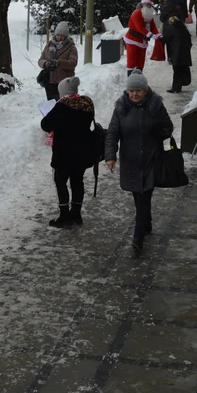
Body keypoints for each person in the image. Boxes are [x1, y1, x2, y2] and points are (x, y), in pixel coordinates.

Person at [104, 70, 174, 250]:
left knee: (144, 196)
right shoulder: (121, 108)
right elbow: (112, 133)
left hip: (151, 158)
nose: (135, 94)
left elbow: (168, 127)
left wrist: (158, 134)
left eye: (138, 90)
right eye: (131, 91)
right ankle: (146, 222)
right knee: (138, 195)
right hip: (131, 161)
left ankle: (137, 239)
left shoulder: (155, 105)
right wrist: (110, 156)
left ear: (145, 90)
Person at [39, 75, 94, 228]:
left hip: (64, 152)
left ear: (62, 92)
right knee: (77, 181)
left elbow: (45, 125)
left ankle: (64, 215)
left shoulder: (62, 106)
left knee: (60, 181)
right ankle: (76, 213)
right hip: (82, 150)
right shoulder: (87, 104)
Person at [38, 21, 79, 101]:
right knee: (52, 104)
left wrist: (59, 62)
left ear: (66, 36)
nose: (60, 37)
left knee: (64, 104)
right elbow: (40, 60)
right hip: (50, 82)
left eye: (62, 35)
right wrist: (46, 63)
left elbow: (73, 63)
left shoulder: (71, 47)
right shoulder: (49, 45)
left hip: (65, 83)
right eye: (58, 35)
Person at [124, 0, 162, 71]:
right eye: (148, 4)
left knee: (140, 62)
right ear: (143, 3)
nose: (149, 6)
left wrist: (157, 34)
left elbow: (153, 26)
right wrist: (151, 35)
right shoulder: (136, 13)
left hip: (143, 41)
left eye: (150, 4)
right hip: (133, 40)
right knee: (132, 61)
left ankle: (139, 78)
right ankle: (131, 80)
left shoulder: (149, 14)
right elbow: (139, 27)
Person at [162, 14, 192, 93]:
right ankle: (181, 84)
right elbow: (190, 42)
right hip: (185, 53)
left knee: (176, 71)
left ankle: (175, 88)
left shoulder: (171, 29)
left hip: (176, 53)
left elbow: (165, 39)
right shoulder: (184, 28)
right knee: (182, 69)